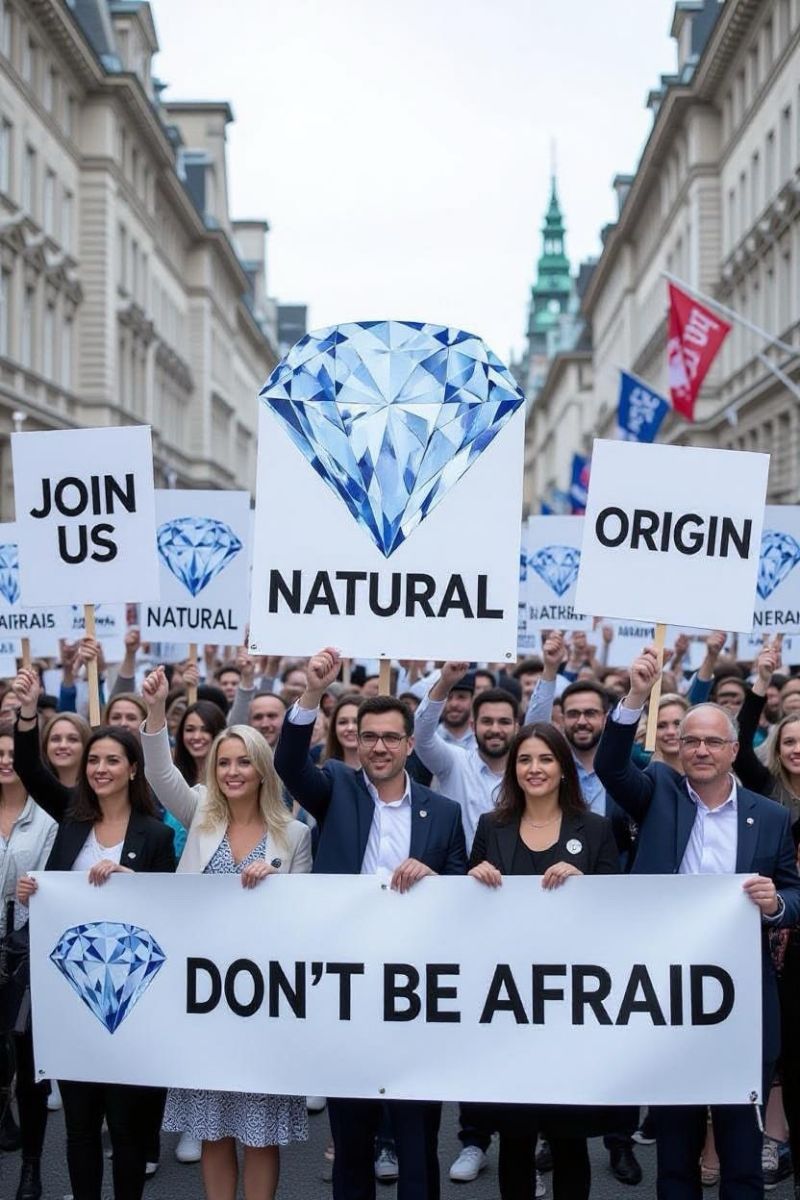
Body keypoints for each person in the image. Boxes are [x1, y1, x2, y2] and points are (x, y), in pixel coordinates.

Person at [594, 645, 800, 1200]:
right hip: (667, 996)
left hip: (743, 1002)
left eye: (713, 741)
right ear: (677, 747)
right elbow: (611, 764)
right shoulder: (656, 790)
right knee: (677, 1153)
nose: (701, 750)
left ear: (736, 749)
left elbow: (794, 891)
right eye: (691, 741)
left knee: (740, 1156)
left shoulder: (772, 816)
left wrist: (776, 905)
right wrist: (636, 695)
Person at [273, 647, 467, 1200]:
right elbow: (288, 763)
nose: (378, 746)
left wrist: (430, 871)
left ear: (410, 744)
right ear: (355, 742)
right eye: (367, 736)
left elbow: (459, 891)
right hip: (346, 985)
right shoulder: (335, 787)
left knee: (416, 1138)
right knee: (351, 1137)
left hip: (414, 989)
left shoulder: (443, 812)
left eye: (390, 737)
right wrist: (311, 692)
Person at [140, 666, 311, 1200]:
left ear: (263, 770)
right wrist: (154, 710)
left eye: (244, 762)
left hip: (263, 1003)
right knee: (212, 1131)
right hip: (204, 1000)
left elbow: (305, 918)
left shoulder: (295, 835)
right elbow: (159, 773)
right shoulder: (200, 816)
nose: (233, 772)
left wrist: (275, 889)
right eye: (224, 763)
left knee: (260, 1136)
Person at [16, 723, 175, 1200]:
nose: (100, 769)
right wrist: (33, 892)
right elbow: (29, 766)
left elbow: (172, 912)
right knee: (81, 1126)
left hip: (130, 1003)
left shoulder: (157, 835)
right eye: (93, 761)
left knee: (126, 1127)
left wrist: (134, 881)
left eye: (111, 761)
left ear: (131, 769)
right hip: (71, 998)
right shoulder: (70, 820)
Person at [469, 722, 621, 1199]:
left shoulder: (594, 829)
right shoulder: (490, 827)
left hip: (569, 1006)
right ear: (513, 770)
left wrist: (585, 882)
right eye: (525, 760)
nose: (534, 769)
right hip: (508, 1005)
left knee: (568, 1137)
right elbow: (464, 912)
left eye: (545, 759)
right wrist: (473, 876)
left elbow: (618, 913)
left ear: (563, 769)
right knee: (514, 1137)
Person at [412, 663, 518, 1183]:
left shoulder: (530, 768)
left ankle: (522, 1141)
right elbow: (421, 732)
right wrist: (443, 679)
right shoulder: (452, 764)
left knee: (514, 1028)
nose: (496, 729)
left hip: (517, 914)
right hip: (456, 911)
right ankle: (473, 1138)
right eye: (487, 721)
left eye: (505, 722)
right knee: (466, 1025)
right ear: (473, 724)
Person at [0, 720, 57, 1200]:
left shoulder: (51, 816)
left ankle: (32, 1167)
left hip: (26, 952)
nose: (3, 760)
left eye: (10, 752)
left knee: (28, 1060)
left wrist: (41, 889)